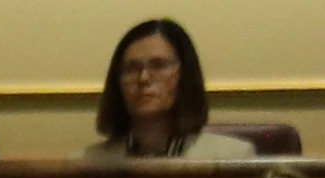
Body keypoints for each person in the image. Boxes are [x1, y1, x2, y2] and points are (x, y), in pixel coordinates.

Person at [86, 18, 248, 159]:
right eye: (132, 68)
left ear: (185, 75)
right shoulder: (87, 163)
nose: (143, 78)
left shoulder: (232, 156)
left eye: (159, 65)